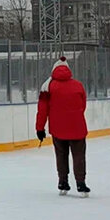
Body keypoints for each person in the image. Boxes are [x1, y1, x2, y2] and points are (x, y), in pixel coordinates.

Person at [36, 56, 90, 196]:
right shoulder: (78, 85)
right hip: (77, 127)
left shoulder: (48, 86)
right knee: (79, 156)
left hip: (58, 128)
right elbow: (83, 105)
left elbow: (42, 109)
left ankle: (63, 182)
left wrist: (40, 128)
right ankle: (81, 183)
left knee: (61, 155)